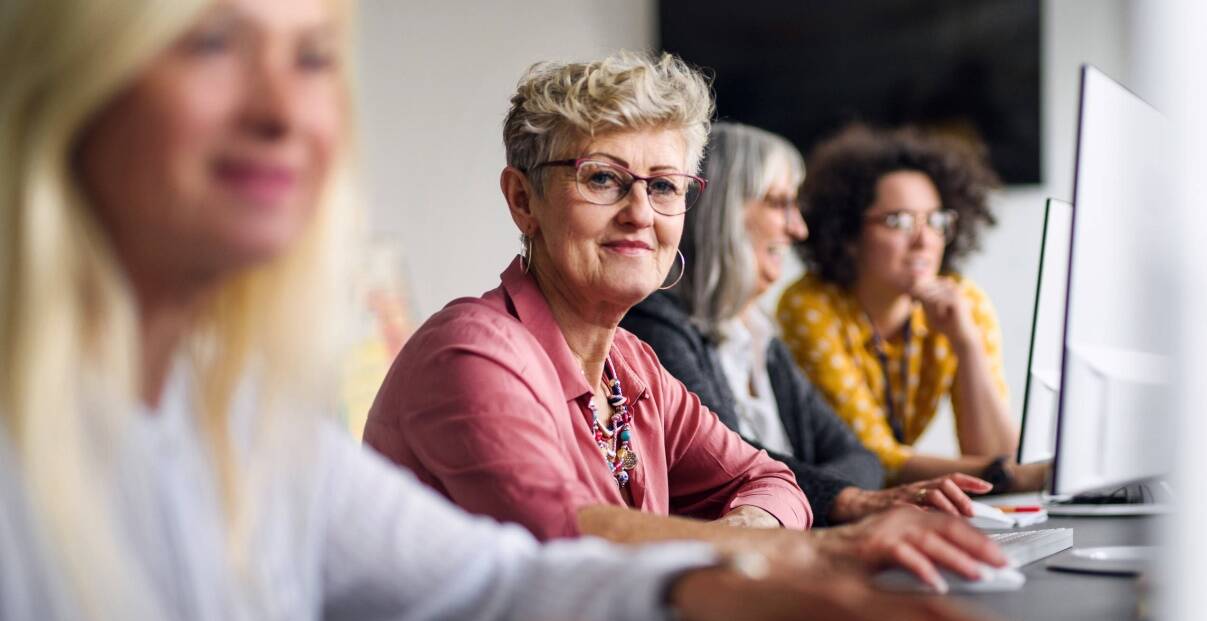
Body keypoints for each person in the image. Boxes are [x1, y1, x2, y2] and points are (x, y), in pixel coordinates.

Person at [0, 2, 1031, 621]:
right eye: (214, 43)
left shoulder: (229, 417)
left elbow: (494, 586)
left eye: (313, 57)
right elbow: (551, 540)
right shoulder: (467, 350)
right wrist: (778, 556)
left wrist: (710, 585)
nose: (283, 111)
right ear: (520, 199)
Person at [365, 52, 1010, 590]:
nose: (641, 212)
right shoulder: (470, 354)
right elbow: (571, 539)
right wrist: (814, 551)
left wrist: (745, 537)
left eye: (665, 185)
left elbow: (770, 478)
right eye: (603, 178)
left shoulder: (631, 364)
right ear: (522, 199)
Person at [621, 122, 994, 527]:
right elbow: (730, 465)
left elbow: (862, 459)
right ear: (722, 212)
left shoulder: (759, 336)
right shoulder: (656, 325)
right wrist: (844, 498)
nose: (798, 229)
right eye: (779, 203)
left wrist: (818, 492)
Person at [778, 124, 1043, 491]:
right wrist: (1021, 475)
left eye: (935, 221)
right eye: (898, 221)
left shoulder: (963, 303)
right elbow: (873, 456)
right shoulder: (809, 306)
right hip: (819, 502)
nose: (924, 240)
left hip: (897, 503)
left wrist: (966, 346)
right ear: (849, 234)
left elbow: (998, 456)